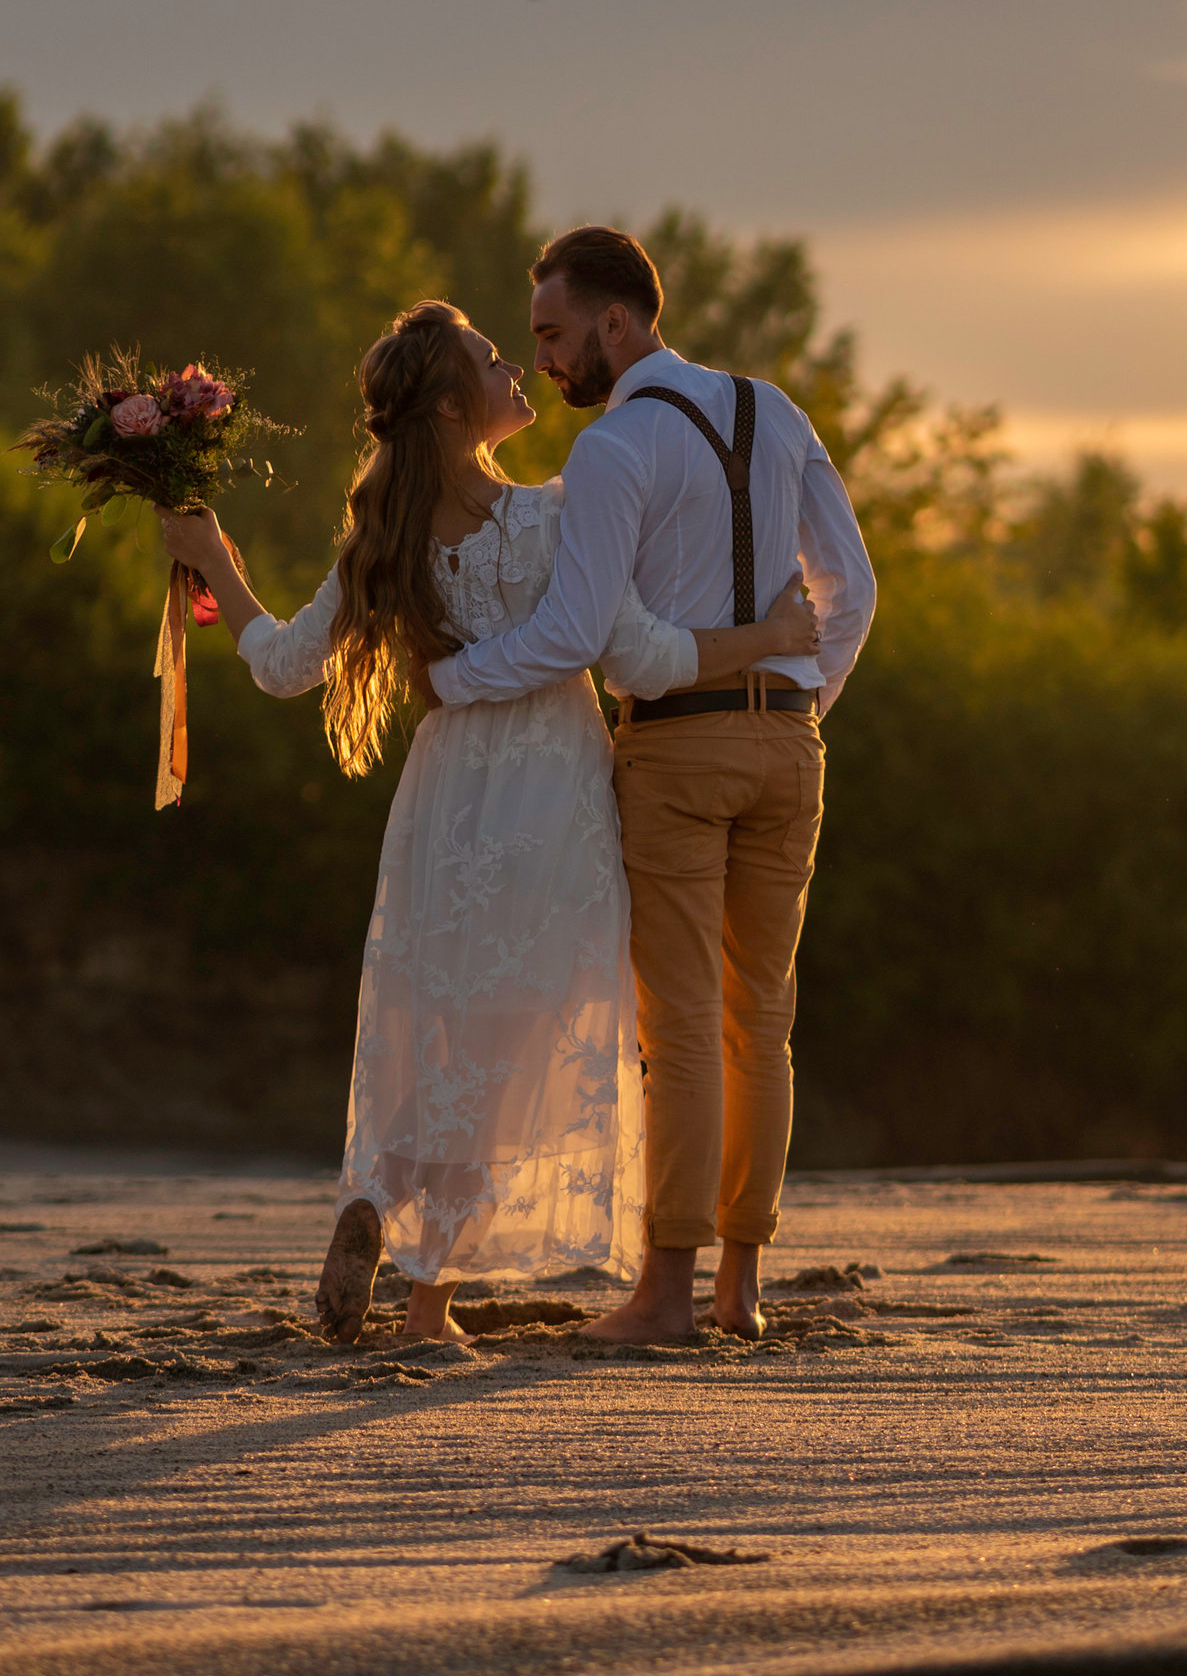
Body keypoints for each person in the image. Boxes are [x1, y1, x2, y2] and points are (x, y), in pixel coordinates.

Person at [158, 300, 818, 1344]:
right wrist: (767, 635)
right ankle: (427, 1301)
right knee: (511, 1050)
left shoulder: (385, 535)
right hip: (553, 802)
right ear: (454, 405)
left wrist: (213, 556)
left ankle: (383, 1196)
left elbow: (283, 665)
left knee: (446, 1025)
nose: (517, 367)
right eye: (492, 358)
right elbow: (640, 656)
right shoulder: (555, 517)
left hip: (447, 800)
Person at [422, 229, 876, 1345]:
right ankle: (739, 1288)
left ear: (615, 323)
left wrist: (455, 679)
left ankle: (664, 1294)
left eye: (551, 334)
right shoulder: (777, 411)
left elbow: (578, 636)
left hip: (676, 747)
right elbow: (853, 588)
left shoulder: (614, 448)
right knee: (761, 1020)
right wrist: (797, 706)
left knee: (678, 1026)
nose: (542, 359)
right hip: (790, 748)